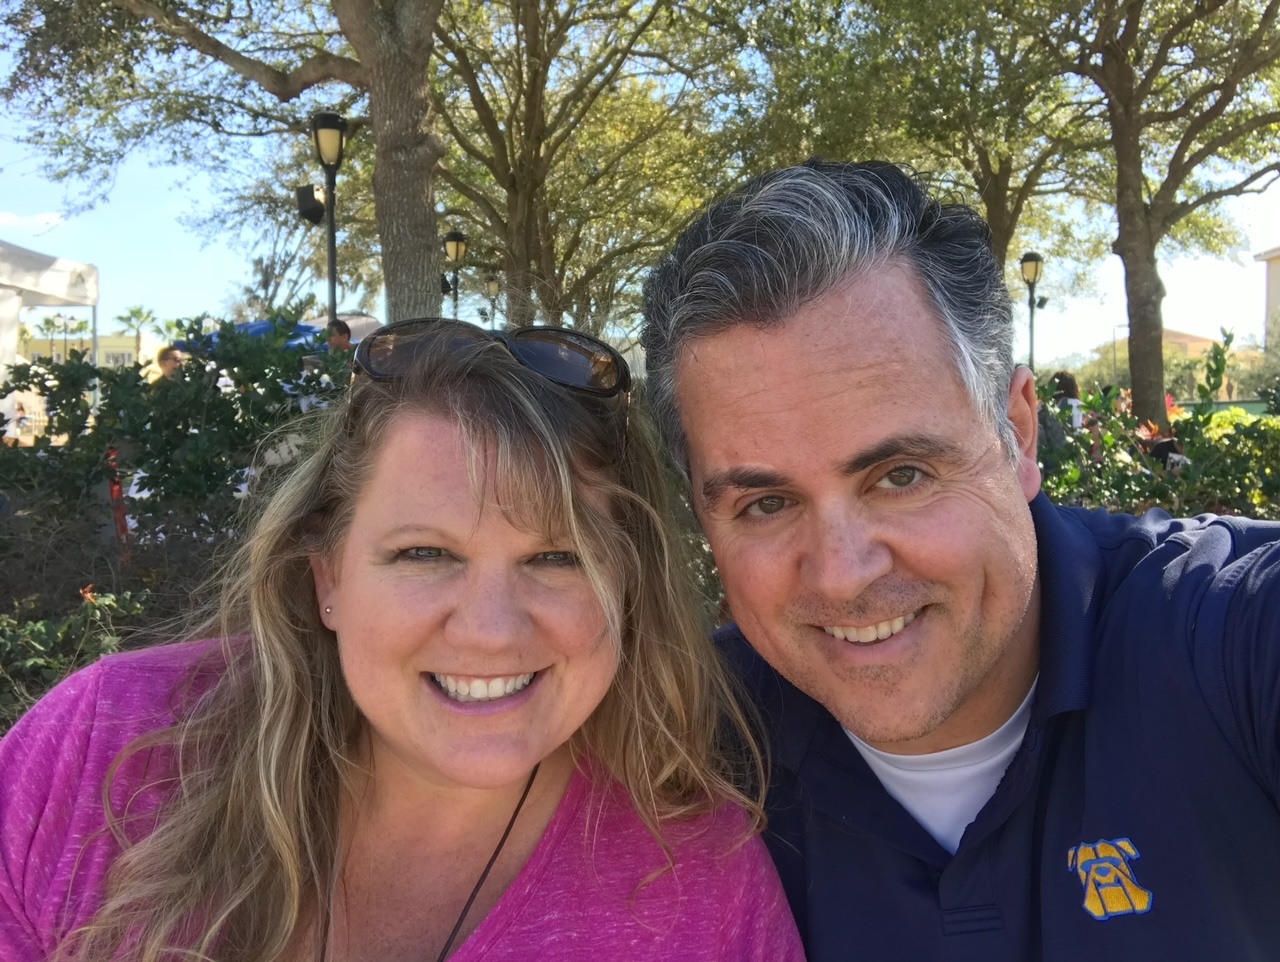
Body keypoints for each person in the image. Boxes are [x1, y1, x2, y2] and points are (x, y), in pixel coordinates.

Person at [0, 318, 803, 961]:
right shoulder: (102, 751)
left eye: (558, 558)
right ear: (328, 576)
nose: (490, 630)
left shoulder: (700, 892)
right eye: (425, 554)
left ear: (627, 587)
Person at [641, 160, 1280, 961]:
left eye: (901, 476)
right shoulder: (676, 749)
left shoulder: (1225, 635)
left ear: (1018, 434)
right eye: (766, 504)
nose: (843, 574)